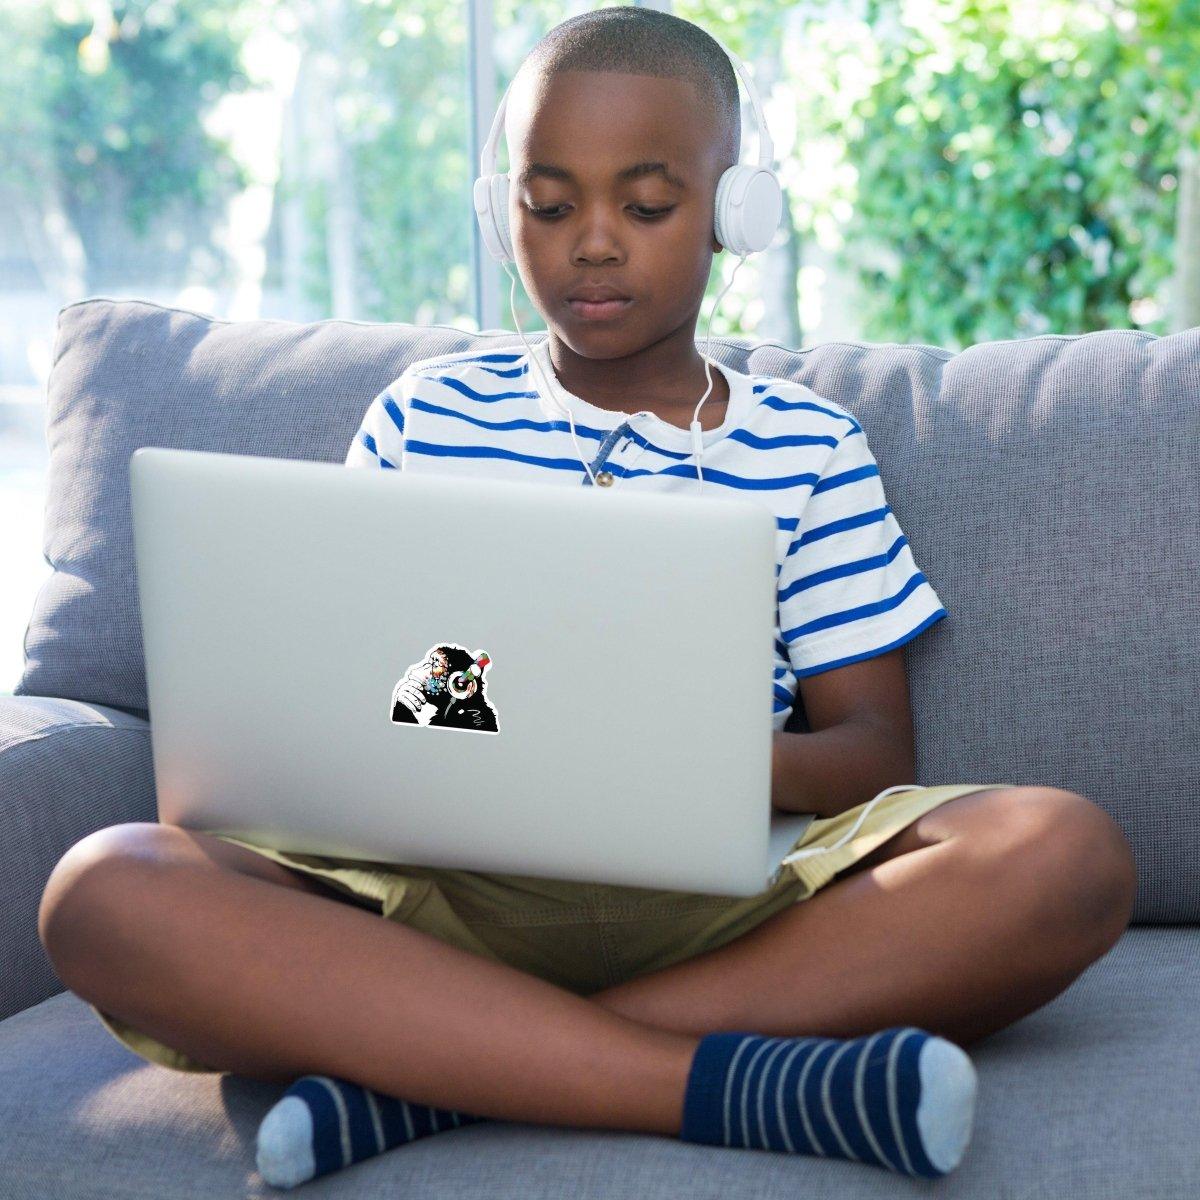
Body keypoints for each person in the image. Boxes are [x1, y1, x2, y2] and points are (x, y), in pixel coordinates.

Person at [37, 7, 1137, 1192]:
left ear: (733, 215)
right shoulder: (425, 416)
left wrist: (654, 748)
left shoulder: (807, 446)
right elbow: (361, 688)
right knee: (105, 888)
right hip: (427, 892)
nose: (594, 243)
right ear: (498, 211)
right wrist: (481, 720)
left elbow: (873, 752)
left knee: (1062, 851)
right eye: (549, 207)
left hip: (721, 898)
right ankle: (699, 1083)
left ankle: (424, 1074)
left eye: (647, 206)